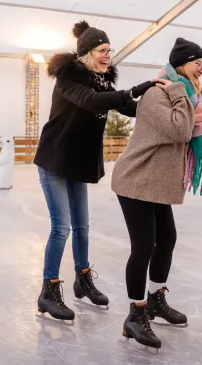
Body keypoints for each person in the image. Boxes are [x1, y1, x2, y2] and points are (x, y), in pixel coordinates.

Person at [33, 21, 156, 321]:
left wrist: (157, 100)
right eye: (102, 51)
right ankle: (48, 290)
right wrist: (132, 90)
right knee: (61, 227)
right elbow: (91, 102)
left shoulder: (101, 81)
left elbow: (127, 107)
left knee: (83, 227)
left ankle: (82, 279)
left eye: (109, 51)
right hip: (54, 161)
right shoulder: (69, 79)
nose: (107, 56)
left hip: (77, 163)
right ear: (87, 53)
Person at [111, 38, 202, 349]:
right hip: (136, 179)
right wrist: (180, 91)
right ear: (180, 64)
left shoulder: (189, 96)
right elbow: (179, 130)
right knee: (144, 246)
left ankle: (156, 300)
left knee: (167, 239)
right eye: (197, 63)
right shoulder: (157, 93)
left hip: (158, 183)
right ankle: (135, 315)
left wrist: (201, 94)